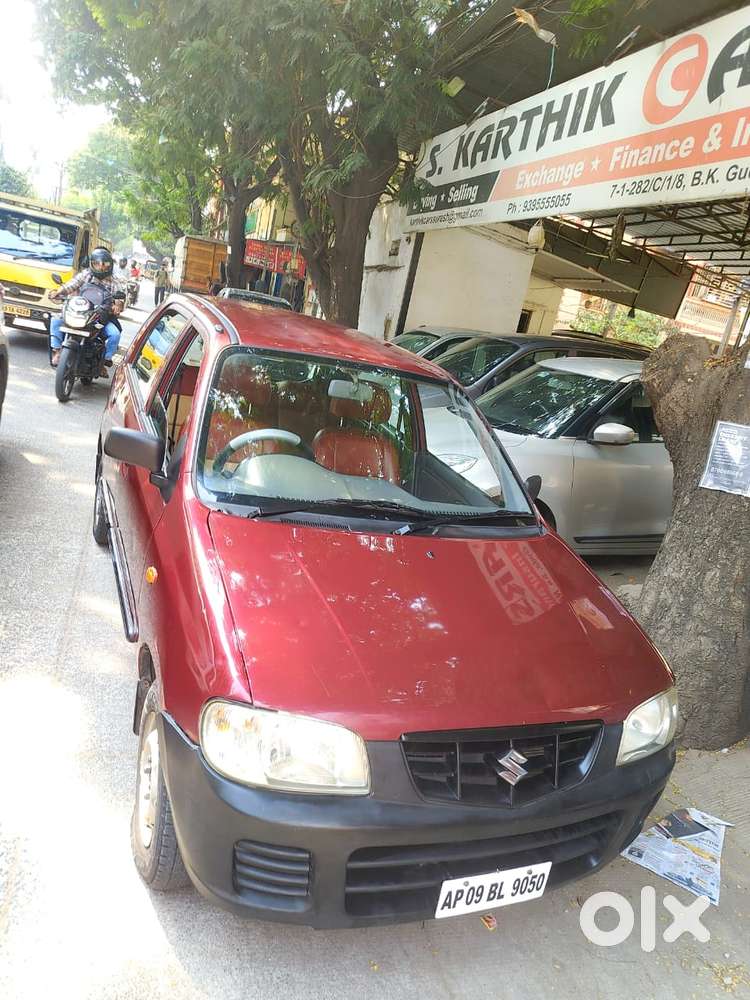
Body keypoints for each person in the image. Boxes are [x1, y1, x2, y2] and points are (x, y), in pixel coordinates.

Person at [48, 247, 125, 375]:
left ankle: (104, 362)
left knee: (114, 334)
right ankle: (57, 351)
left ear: (110, 265)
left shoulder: (115, 281)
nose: (101, 267)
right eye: (97, 264)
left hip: (101, 316)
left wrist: (117, 306)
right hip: (79, 312)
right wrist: (58, 292)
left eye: (104, 264)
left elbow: (120, 300)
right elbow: (72, 284)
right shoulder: (86, 274)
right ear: (91, 263)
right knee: (55, 319)